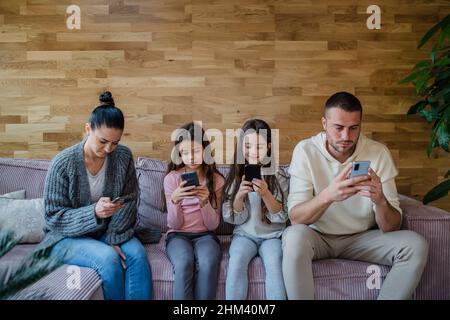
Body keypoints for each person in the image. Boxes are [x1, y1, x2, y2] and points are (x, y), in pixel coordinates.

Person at [283, 92, 428, 300]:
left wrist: (380, 201)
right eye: (338, 128)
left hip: (361, 238)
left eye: (353, 128)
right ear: (324, 123)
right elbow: (296, 218)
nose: (346, 137)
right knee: (293, 236)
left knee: (415, 244)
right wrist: (328, 196)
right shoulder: (305, 151)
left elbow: (392, 227)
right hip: (317, 237)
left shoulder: (378, 153)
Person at [41, 91, 152, 300]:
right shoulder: (63, 164)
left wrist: (113, 238)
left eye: (115, 142)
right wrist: (94, 212)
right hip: (65, 238)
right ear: (87, 129)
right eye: (102, 141)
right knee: (109, 259)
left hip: (108, 231)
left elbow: (128, 200)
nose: (109, 148)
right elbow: (53, 217)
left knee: (137, 256)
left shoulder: (123, 157)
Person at [223, 119, 288, 300]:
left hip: (272, 236)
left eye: (258, 147)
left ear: (268, 147)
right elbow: (231, 217)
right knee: (236, 261)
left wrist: (266, 194)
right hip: (245, 234)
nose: (252, 152)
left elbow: (283, 216)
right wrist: (239, 197)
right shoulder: (236, 176)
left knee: (275, 264)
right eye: (248, 146)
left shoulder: (278, 176)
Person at [163, 122, 225, 300]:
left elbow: (213, 225)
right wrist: (175, 200)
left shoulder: (216, 180)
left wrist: (205, 202)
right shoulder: (171, 179)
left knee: (208, 261)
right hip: (178, 235)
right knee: (184, 263)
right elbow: (174, 224)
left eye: (196, 151)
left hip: (206, 234)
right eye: (185, 153)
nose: (191, 158)